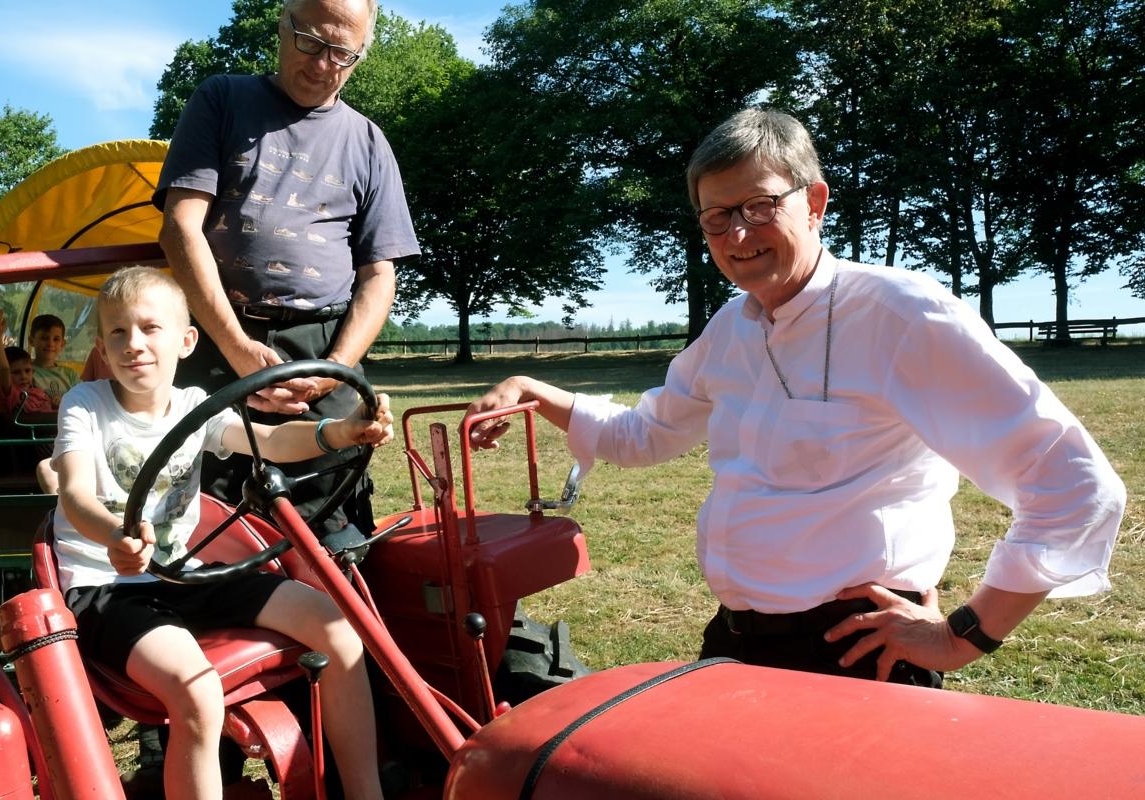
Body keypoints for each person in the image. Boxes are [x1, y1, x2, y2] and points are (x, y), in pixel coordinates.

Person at [465, 108, 1125, 686]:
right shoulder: (731, 329)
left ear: (814, 202)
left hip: (857, 649)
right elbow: (643, 435)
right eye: (717, 218)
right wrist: (531, 389)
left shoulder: (900, 314)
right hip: (737, 641)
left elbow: (1071, 483)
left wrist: (963, 635)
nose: (738, 236)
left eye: (759, 207)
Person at [52, 266, 391, 800]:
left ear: (187, 341)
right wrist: (115, 535)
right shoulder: (87, 405)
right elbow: (72, 493)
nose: (133, 344)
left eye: (149, 328)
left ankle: (364, 792)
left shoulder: (194, 407)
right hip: (107, 585)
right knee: (199, 692)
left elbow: (273, 442)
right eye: (117, 332)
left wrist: (341, 431)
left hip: (182, 572)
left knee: (341, 627)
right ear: (101, 345)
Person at [155, 0, 419, 535]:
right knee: (206, 524)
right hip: (215, 341)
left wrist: (335, 367)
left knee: (332, 520)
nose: (324, 64)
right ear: (283, 24)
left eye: (343, 52)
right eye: (311, 42)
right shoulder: (222, 99)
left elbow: (378, 275)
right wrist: (235, 347)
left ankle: (337, 604)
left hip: (324, 347)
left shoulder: (369, 142)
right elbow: (180, 228)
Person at [0, 342, 55, 416]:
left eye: (27, 371)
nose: (23, 376)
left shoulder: (38, 391)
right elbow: (4, 368)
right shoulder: (13, 395)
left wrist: (54, 404)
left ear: (33, 372)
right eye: (16, 372)